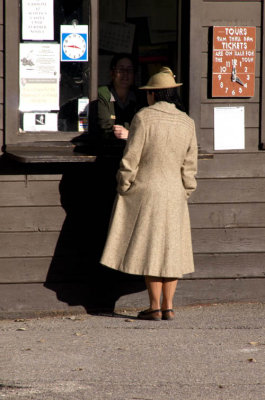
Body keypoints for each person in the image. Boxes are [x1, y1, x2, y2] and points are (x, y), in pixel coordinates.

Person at [100, 67, 198, 321]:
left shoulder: (143, 118)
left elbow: (131, 158)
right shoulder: (187, 122)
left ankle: (154, 306)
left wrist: (124, 185)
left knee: (152, 248)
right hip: (175, 192)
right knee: (171, 248)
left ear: (154, 94)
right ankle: (169, 306)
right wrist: (186, 190)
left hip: (147, 190)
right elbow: (190, 165)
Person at [97, 53, 138, 144]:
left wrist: (129, 134)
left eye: (129, 70)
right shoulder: (103, 93)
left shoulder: (139, 96)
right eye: (121, 69)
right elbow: (105, 128)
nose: (125, 74)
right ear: (112, 73)